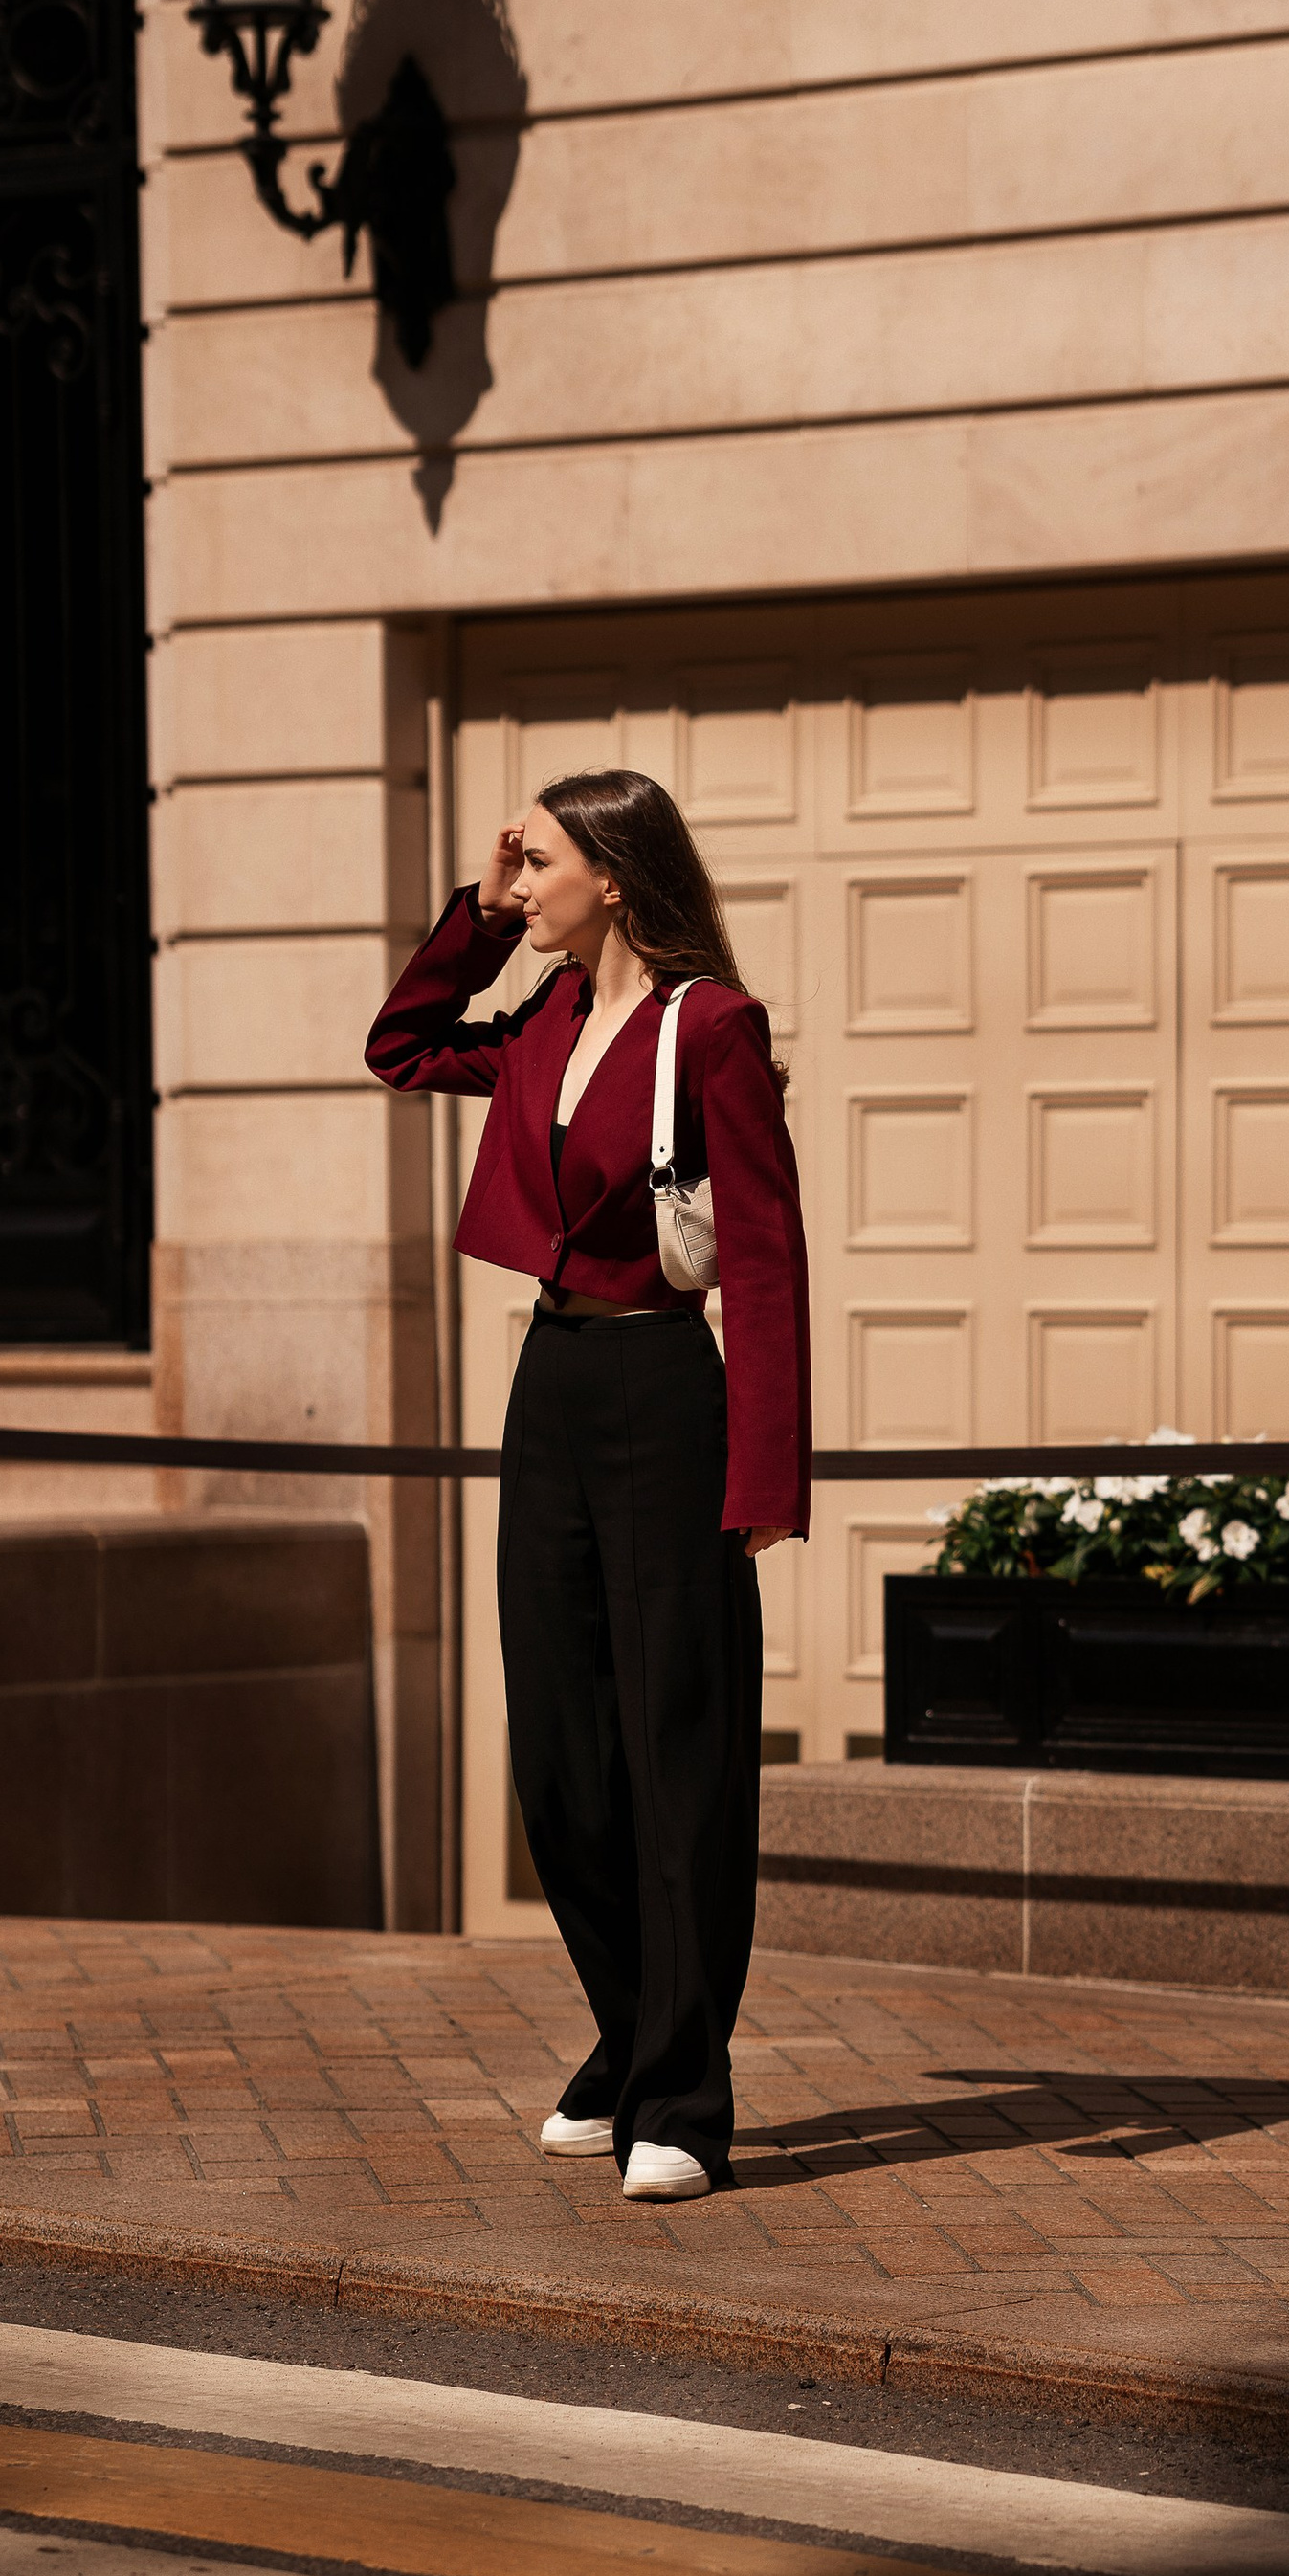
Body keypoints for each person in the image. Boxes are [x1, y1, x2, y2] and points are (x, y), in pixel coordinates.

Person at [367, 768, 811, 2200]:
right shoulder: (541, 1017)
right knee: (559, 1753)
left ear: (613, 877)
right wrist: (483, 915)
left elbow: (765, 1260)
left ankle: (682, 2093)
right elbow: (400, 1044)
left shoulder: (712, 1027)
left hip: (667, 1393)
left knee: (674, 1746)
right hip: (550, 1387)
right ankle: (631, 2037)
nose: (524, 879)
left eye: (541, 862)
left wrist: (765, 1474)